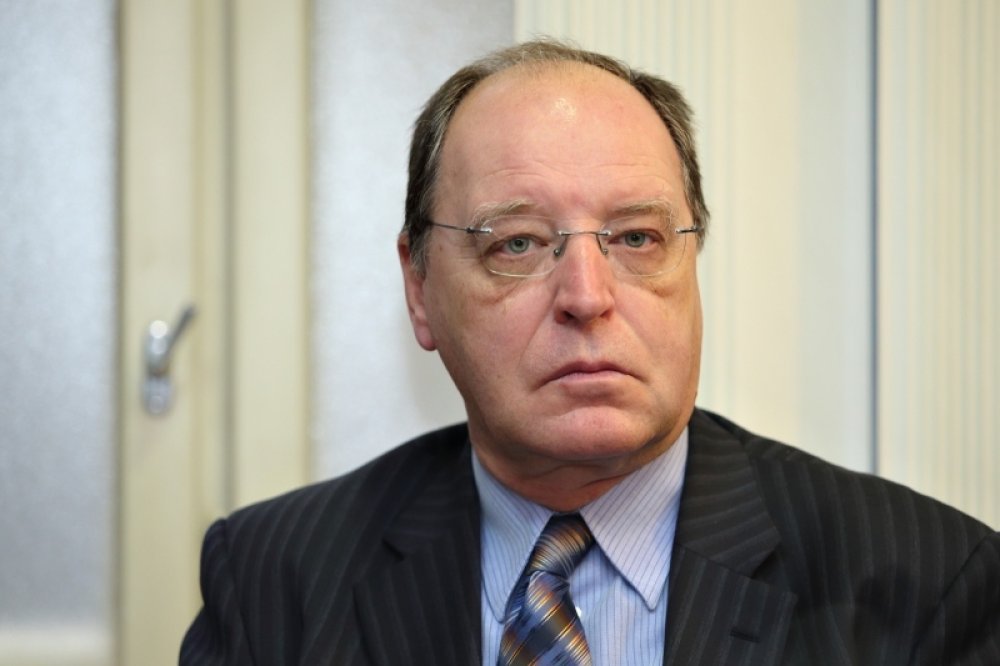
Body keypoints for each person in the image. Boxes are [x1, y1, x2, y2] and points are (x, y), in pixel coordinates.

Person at [180, 40, 999, 665]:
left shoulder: (925, 582)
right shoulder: (273, 580)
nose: (587, 295)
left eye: (637, 238)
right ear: (420, 288)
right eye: (517, 244)